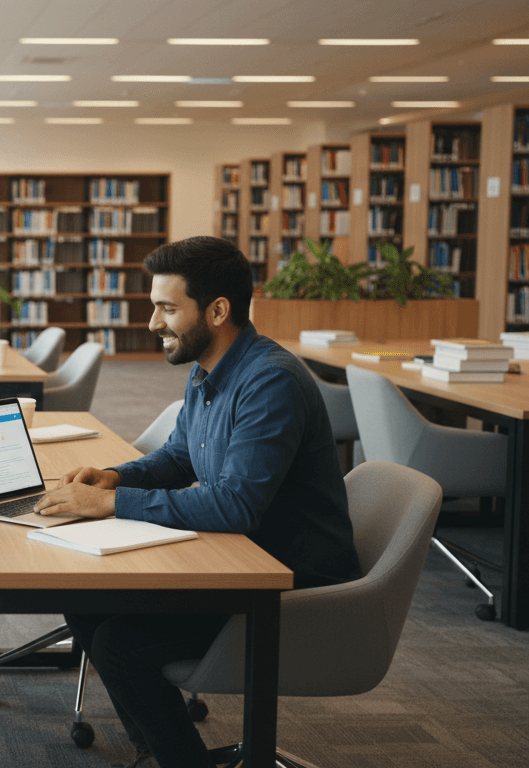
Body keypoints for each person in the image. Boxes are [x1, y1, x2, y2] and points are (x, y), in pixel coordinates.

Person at [32, 236, 363, 768]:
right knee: (87, 600)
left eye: (167, 307)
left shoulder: (268, 382)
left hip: (285, 582)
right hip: (235, 561)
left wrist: (113, 507)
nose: (152, 323)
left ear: (217, 310)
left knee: (120, 644)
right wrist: (113, 477)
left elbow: (234, 507)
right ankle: (163, 747)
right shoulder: (207, 368)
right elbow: (179, 457)